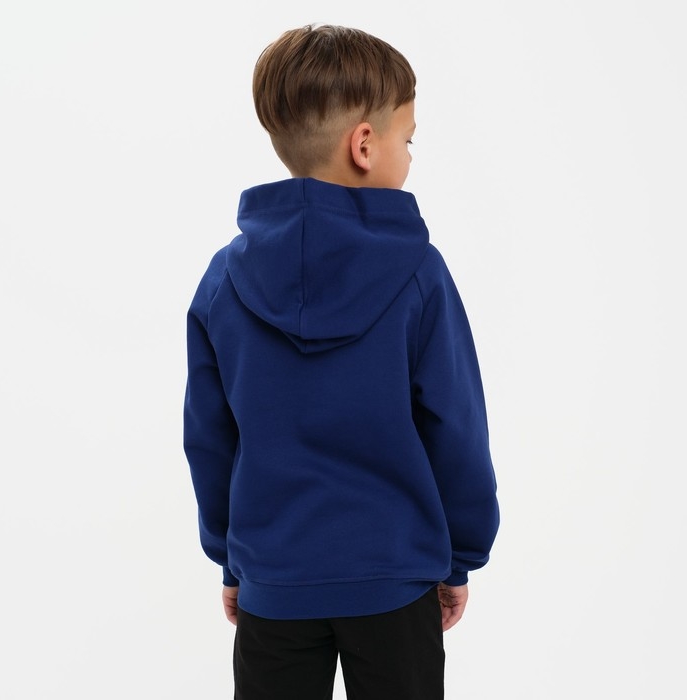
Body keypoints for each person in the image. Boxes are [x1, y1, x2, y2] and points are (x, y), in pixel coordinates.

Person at [183, 23, 500, 700]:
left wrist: (233, 559)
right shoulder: (419, 273)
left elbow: (209, 438)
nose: (409, 155)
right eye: (407, 139)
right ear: (364, 144)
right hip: (395, 580)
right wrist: (460, 555)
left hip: (275, 582)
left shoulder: (223, 282)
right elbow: (456, 426)